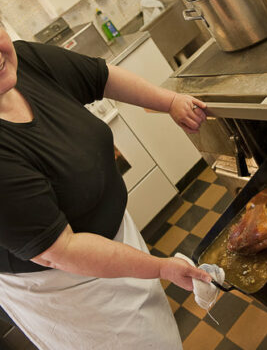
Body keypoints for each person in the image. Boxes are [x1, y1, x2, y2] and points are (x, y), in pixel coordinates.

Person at [0, 23, 212, 349]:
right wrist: (160, 268)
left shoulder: (22, 60)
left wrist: (169, 101)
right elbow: (62, 251)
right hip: (69, 287)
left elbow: (100, 77)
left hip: (110, 244)